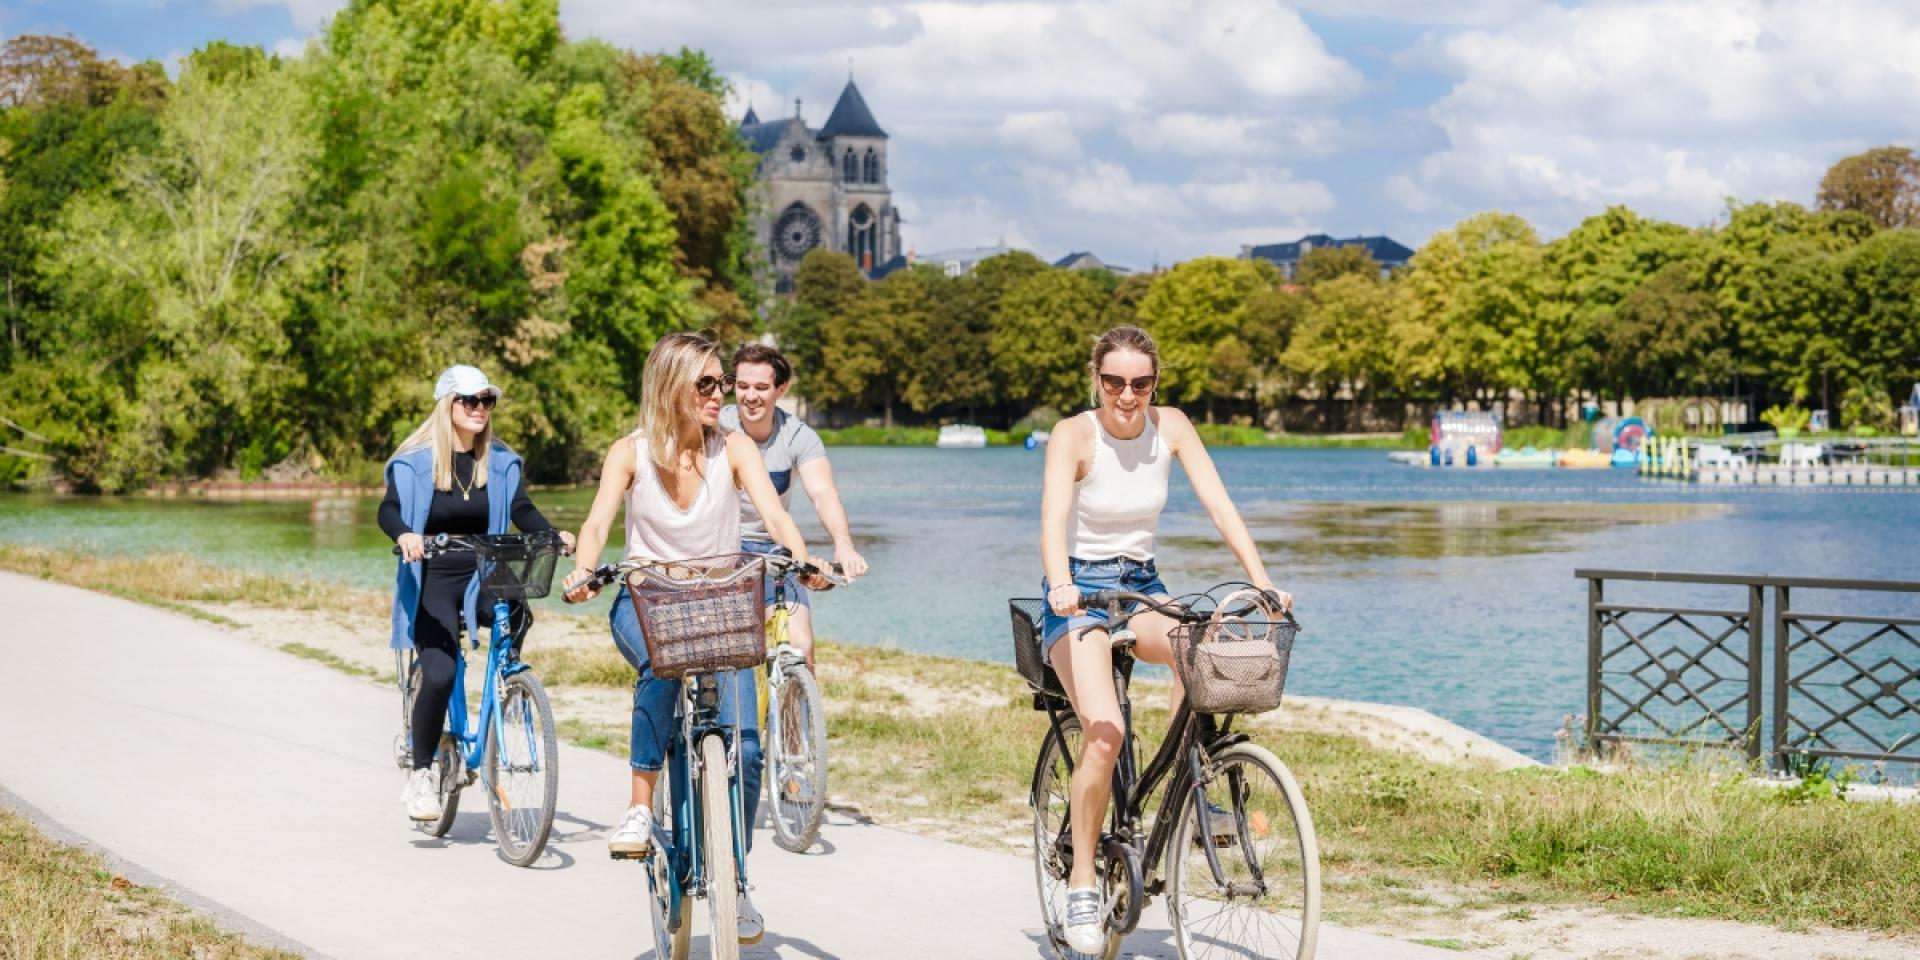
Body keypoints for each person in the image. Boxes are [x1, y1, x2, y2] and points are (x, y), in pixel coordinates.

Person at [1038, 326, 1293, 954]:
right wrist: (1061, 584)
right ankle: (1080, 884)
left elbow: (1221, 506)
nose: (1128, 395)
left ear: (1156, 384)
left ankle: (1194, 793)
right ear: (1096, 380)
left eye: (1141, 383)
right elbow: (1050, 524)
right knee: (1106, 731)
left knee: (1204, 648)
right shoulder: (1074, 434)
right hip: (1081, 596)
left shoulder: (1171, 427)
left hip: (1143, 585)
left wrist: (1263, 583)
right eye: (1115, 382)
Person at [561, 332, 820, 946]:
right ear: (671, 386)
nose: (720, 395)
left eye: (721, 383)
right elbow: (597, 520)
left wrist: (802, 558)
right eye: (706, 384)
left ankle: (736, 881)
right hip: (646, 600)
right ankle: (640, 807)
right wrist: (584, 568)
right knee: (659, 664)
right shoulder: (630, 452)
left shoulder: (732, 448)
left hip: (720, 604)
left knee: (748, 749)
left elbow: (776, 514)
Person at [380, 364, 573, 822]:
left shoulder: (501, 462)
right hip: (434, 574)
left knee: (519, 612)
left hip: (488, 568)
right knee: (442, 672)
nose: (481, 409)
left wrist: (552, 534)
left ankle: (507, 686)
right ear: (448, 405)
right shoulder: (414, 463)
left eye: (487, 401)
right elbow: (388, 510)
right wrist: (407, 534)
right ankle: (422, 772)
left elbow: (522, 509)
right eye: (471, 401)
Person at [719, 342, 868, 664]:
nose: (750, 396)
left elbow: (823, 493)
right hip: (720, 547)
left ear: (781, 388)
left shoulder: (799, 436)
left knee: (800, 644)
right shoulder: (716, 425)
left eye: (761, 387)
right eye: (742, 387)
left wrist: (843, 544)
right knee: (731, 649)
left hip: (774, 547)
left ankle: (797, 712)